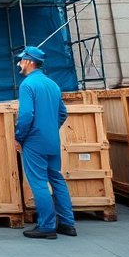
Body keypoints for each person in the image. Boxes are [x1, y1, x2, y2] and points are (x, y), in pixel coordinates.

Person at [14, 45, 76, 240]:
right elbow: (62, 113)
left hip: (34, 140)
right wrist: (50, 128)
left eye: (21, 60)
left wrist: (19, 137)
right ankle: (67, 224)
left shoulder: (27, 85)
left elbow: (25, 115)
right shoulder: (52, 84)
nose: (19, 63)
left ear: (29, 62)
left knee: (39, 182)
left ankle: (47, 226)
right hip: (51, 140)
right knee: (56, 179)